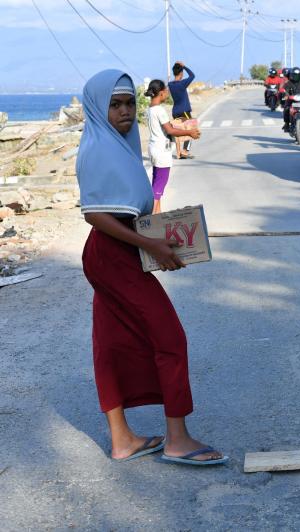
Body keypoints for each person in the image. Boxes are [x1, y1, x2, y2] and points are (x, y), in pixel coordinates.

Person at [77, 69, 228, 465]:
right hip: (113, 253)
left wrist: (158, 241)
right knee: (170, 338)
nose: (125, 111)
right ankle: (177, 439)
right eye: (115, 104)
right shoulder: (98, 149)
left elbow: (125, 208)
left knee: (109, 345)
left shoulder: (117, 144)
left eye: (129, 103)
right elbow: (95, 214)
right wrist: (150, 246)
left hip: (120, 250)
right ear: (97, 107)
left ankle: (122, 439)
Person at [145, 79, 200, 214]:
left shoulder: (150, 109)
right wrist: (189, 132)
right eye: (167, 91)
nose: (168, 93)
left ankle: (158, 216)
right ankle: (150, 219)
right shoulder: (160, 110)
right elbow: (169, 131)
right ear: (162, 93)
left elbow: (167, 127)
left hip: (153, 149)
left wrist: (178, 127)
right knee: (157, 191)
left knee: (156, 187)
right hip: (161, 152)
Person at [168, 61, 195, 159]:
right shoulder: (182, 83)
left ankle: (179, 153)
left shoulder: (170, 84)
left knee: (178, 132)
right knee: (191, 130)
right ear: (181, 73)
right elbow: (192, 75)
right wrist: (185, 66)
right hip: (185, 111)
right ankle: (185, 152)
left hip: (175, 111)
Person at [281, 67, 300, 132]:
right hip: (291, 101)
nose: (296, 77)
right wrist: (285, 95)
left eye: (297, 75)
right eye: (294, 75)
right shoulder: (289, 83)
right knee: (286, 109)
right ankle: (287, 124)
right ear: (291, 75)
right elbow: (285, 90)